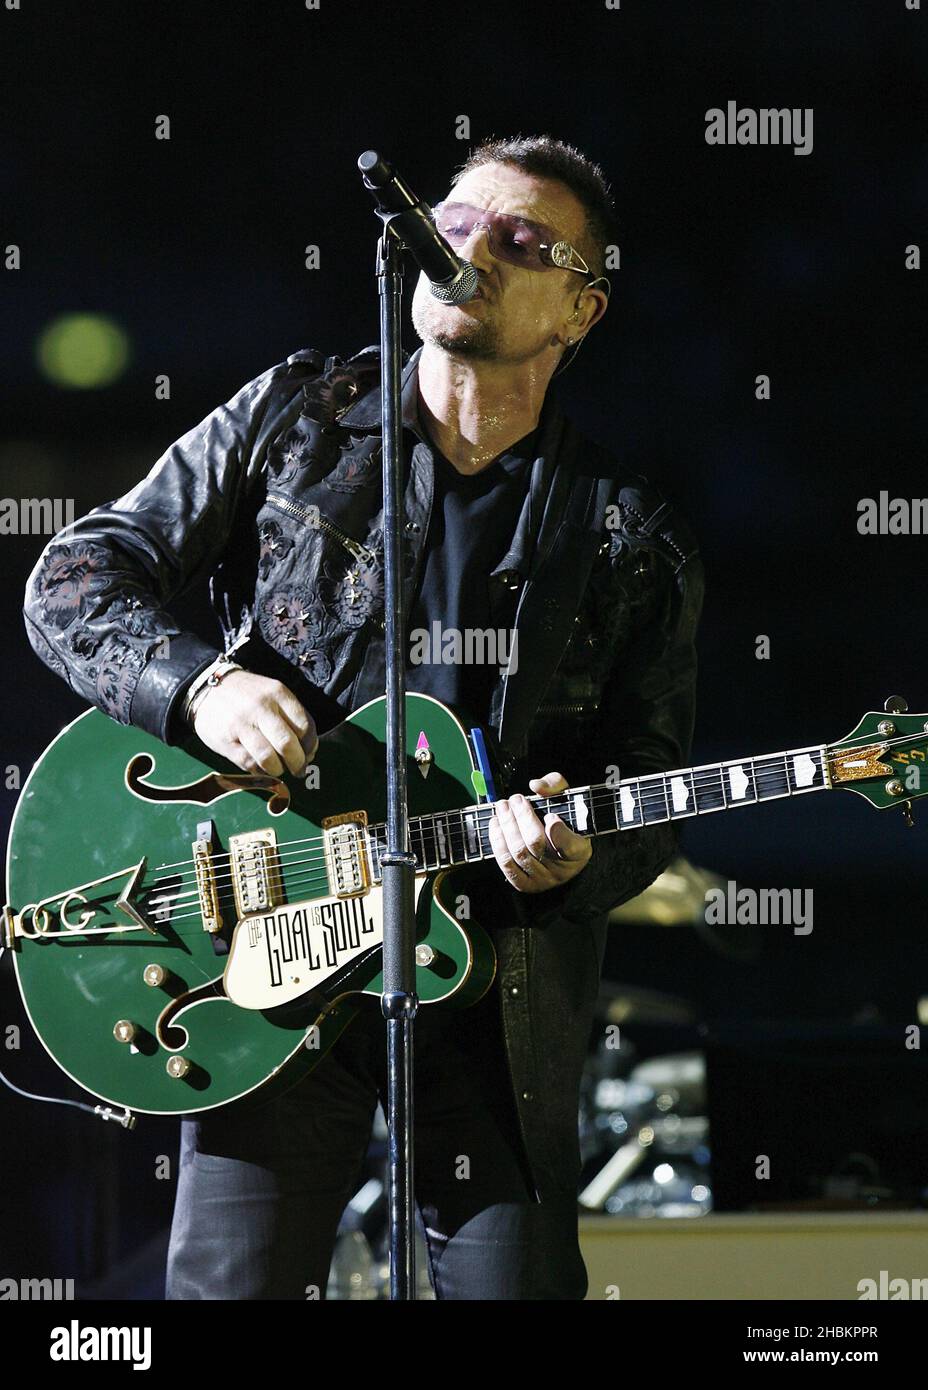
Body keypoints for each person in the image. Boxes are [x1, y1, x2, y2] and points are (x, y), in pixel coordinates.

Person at [23, 134, 704, 1300]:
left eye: (521, 239)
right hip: (264, 942)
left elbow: (650, 783)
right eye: (456, 220)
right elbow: (74, 578)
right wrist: (198, 686)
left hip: (492, 986)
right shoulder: (296, 416)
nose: (473, 247)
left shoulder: (630, 536)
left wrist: (578, 854)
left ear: (579, 311)